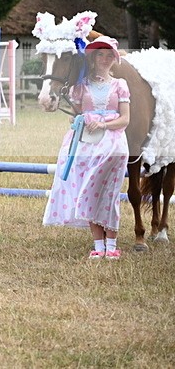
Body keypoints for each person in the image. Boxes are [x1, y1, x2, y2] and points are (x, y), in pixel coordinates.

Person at [43, 36, 130, 260]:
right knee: (89, 192)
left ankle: (112, 244)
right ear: (92, 58)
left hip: (112, 145)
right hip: (87, 144)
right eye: (99, 54)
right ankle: (98, 245)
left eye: (109, 55)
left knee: (108, 194)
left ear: (114, 59)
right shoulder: (80, 88)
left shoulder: (120, 85)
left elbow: (124, 120)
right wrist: (79, 122)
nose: (104, 58)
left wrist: (103, 123)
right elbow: (76, 117)